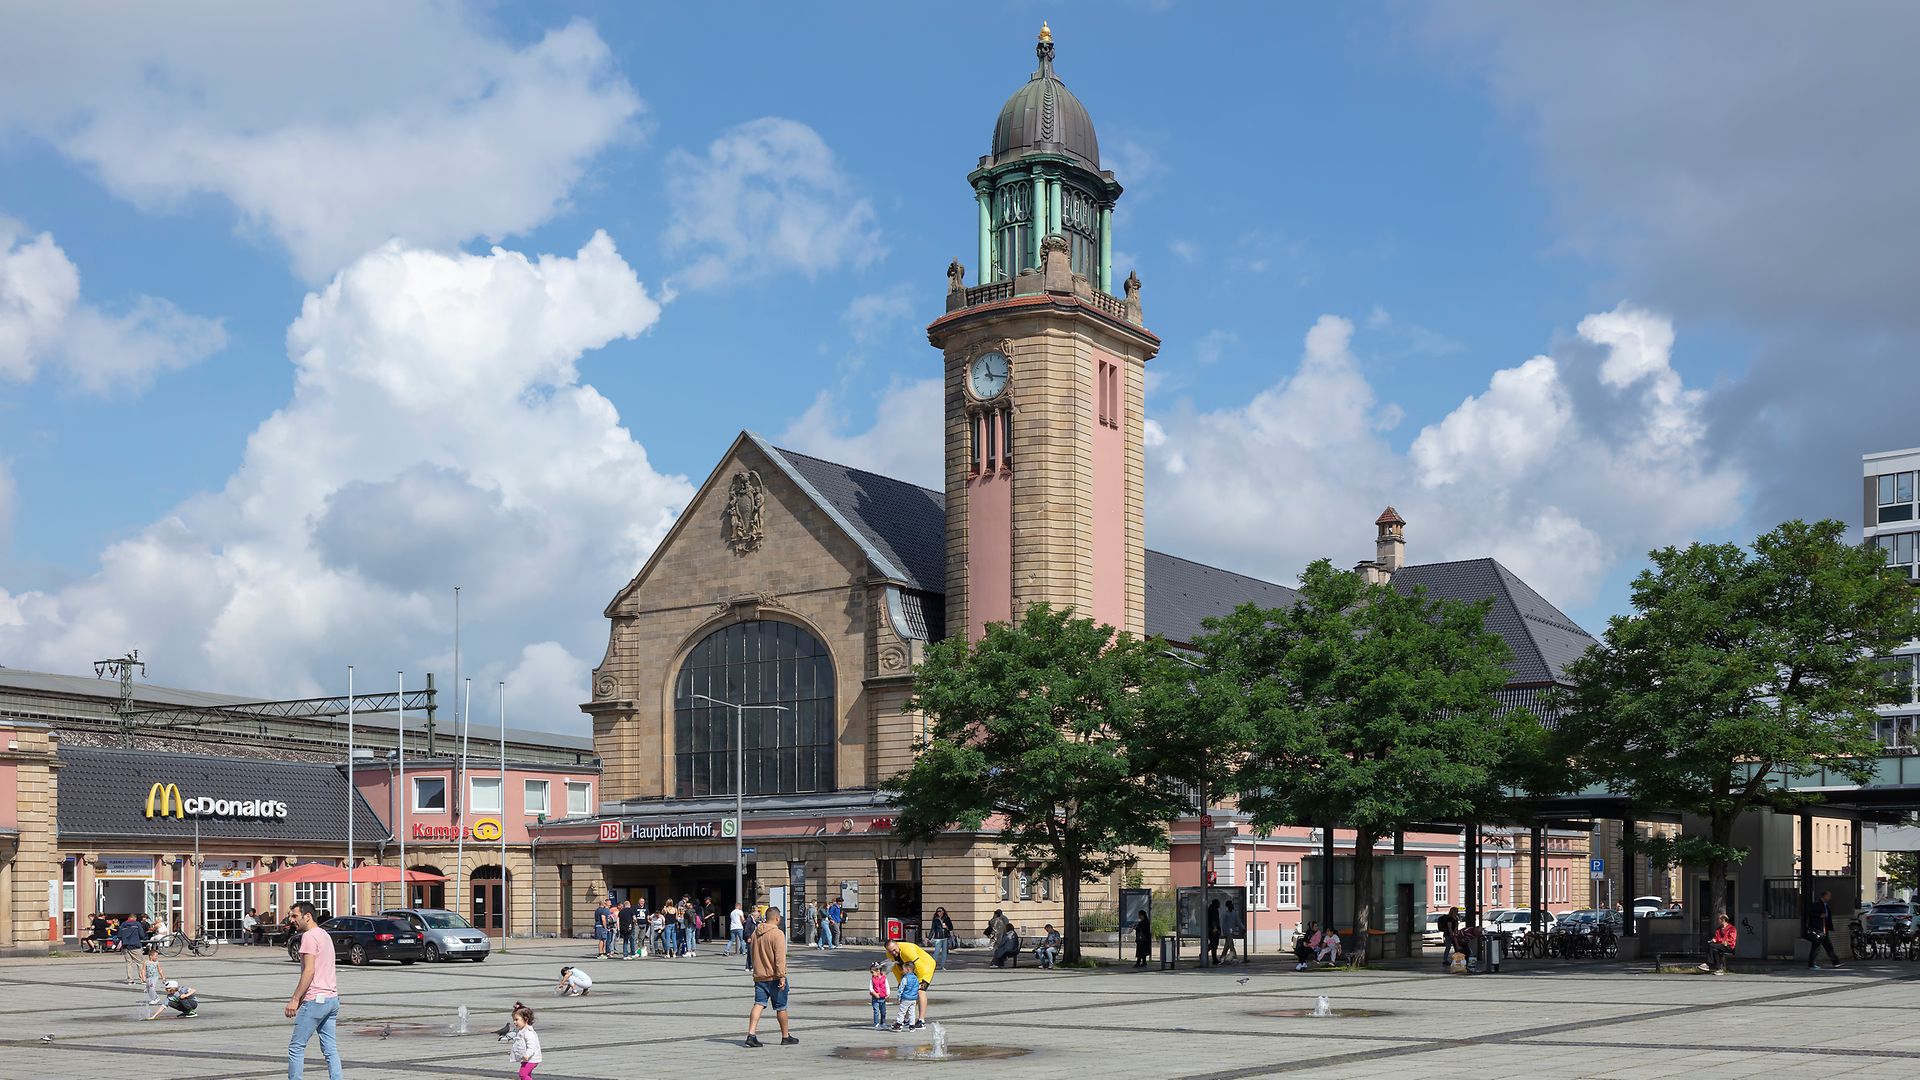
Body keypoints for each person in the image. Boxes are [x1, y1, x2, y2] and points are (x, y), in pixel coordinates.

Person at [285, 900, 341, 1080]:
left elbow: (309, 971)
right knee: (330, 1049)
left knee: (296, 1047)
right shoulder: (324, 934)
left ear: (307, 916)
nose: (291, 919)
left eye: (295, 916)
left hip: (316, 1000)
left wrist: (295, 999)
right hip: (332, 999)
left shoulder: (308, 936)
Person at [744, 906, 796, 1048]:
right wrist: (782, 976)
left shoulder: (756, 933)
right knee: (781, 1007)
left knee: (758, 1003)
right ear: (777, 918)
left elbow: (752, 954)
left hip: (759, 976)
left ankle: (751, 1034)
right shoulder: (777, 934)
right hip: (774, 977)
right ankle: (785, 1036)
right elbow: (780, 958)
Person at [884, 938, 938, 1025]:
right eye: (890, 951)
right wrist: (900, 982)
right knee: (907, 992)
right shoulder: (889, 954)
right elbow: (896, 969)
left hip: (926, 967)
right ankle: (906, 1019)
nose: (893, 953)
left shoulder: (908, 950)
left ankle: (921, 1020)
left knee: (920, 991)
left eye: (894, 950)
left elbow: (919, 967)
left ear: (897, 944)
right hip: (910, 970)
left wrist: (918, 984)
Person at [1805, 890, 1841, 970]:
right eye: (1828, 895)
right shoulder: (1817, 904)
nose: (1830, 897)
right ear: (1824, 896)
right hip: (1818, 929)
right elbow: (1809, 912)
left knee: (1828, 947)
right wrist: (1819, 915)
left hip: (1824, 929)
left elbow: (1828, 917)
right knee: (1816, 947)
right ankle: (1811, 964)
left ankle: (1836, 962)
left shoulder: (1826, 905)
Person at [507, 1004, 542, 1079]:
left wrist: (527, 1055)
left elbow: (532, 1046)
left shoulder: (528, 1033)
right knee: (527, 1075)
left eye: (516, 1020)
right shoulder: (522, 1031)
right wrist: (513, 1052)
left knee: (522, 1074)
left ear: (526, 1019)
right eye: (514, 1020)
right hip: (526, 1059)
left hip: (532, 1059)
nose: (514, 1022)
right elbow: (519, 1044)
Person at [893, 963, 922, 1031]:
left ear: (908, 970)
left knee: (902, 1012)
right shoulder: (916, 978)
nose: (902, 971)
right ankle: (912, 1026)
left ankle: (899, 1024)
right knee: (912, 1012)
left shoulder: (905, 978)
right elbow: (917, 987)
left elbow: (901, 988)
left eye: (903, 969)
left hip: (906, 998)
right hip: (913, 999)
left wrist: (899, 997)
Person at [867, 962, 890, 1030]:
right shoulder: (872, 979)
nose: (872, 974)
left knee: (883, 1011)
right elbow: (870, 988)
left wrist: (887, 994)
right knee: (876, 1011)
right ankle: (876, 1024)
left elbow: (887, 986)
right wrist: (874, 993)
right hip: (875, 998)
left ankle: (883, 1023)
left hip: (883, 997)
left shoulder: (884, 978)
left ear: (878, 971)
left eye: (872, 972)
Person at [1206, 896, 1222, 962]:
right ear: (1215, 904)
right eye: (1218, 903)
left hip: (1211, 929)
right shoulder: (1214, 910)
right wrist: (1215, 929)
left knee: (1213, 944)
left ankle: (1214, 958)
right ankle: (1214, 959)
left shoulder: (1211, 909)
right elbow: (1214, 920)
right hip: (1213, 930)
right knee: (1214, 944)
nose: (1219, 905)